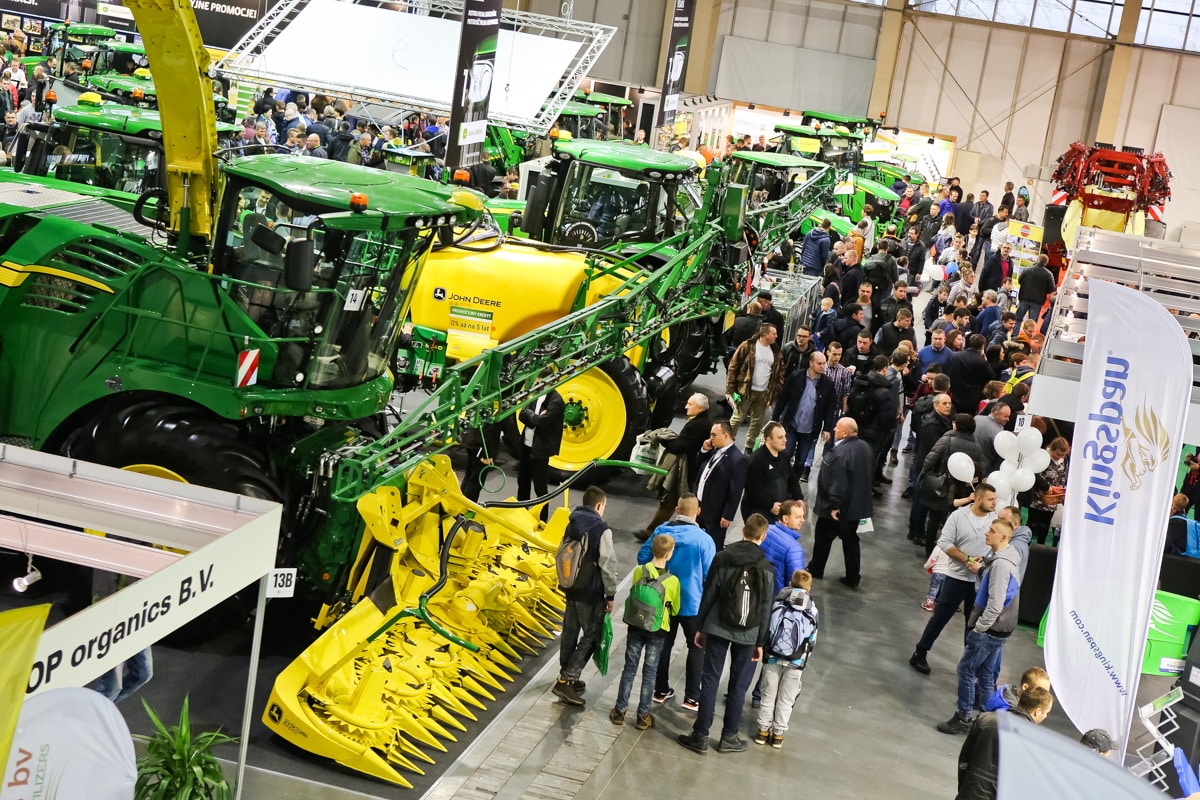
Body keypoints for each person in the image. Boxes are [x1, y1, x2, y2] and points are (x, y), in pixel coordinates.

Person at [677, 513, 776, 755]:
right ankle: (729, 736)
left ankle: (700, 735)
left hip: (718, 626)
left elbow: (709, 593)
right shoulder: (767, 568)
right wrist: (760, 642)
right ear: (763, 537)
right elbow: (765, 608)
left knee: (711, 678)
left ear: (743, 531)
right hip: (749, 632)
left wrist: (701, 627)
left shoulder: (723, 557)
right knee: (738, 684)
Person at [937, 518, 1021, 734]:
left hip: (990, 630)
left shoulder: (1000, 565)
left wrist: (979, 628)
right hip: (1002, 628)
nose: (986, 533)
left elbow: (996, 602)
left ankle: (963, 717)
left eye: (992, 531)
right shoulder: (1008, 558)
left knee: (966, 669)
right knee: (986, 673)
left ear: (1003, 537)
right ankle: (987, 721)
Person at [911, 484, 999, 675]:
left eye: (996, 499)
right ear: (978, 499)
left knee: (973, 624)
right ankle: (920, 652)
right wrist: (966, 559)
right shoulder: (958, 516)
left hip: (979, 581)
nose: (995, 503)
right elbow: (944, 542)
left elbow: (999, 547)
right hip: (955, 578)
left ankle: (969, 665)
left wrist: (984, 562)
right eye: (991, 499)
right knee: (940, 618)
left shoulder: (995, 520)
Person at [641, 494, 715, 711]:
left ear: (676, 509)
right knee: (696, 647)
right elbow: (710, 575)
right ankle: (692, 697)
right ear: (698, 512)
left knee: (664, 644)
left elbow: (642, 557)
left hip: (663, 599)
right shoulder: (704, 540)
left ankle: (660, 690)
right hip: (692, 603)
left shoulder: (661, 532)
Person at [552, 486, 619, 706]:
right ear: (599, 505)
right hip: (591, 592)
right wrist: (611, 594)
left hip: (571, 587)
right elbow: (607, 564)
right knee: (592, 634)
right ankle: (567, 679)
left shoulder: (572, 523)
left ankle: (566, 676)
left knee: (570, 631)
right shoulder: (600, 529)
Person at [610, 533, 681, 730]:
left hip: (636, 625)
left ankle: (619, 711)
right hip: (658, 630)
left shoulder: (639, 571)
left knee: (629, 668)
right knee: (650, 672)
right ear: (669, 554)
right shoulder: (672, 581)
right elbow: (675, 609)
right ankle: (643, 716)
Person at [753, 569, 818, 750]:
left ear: (790, 584)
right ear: (809, 588)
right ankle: (778, 735)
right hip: (796, 662)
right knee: (786, 699)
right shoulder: (812, 609)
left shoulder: (778, 602)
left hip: (773, 657)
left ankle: (762, 732)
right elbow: (812, 639)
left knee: (768, 694)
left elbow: (767, 627)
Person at [808, 417, 875, 588]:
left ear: (845, 433)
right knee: (850, 539)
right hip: (856, 507)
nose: (834, 429)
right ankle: (853, 577)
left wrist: (834, 506)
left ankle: (816, 568)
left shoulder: (840, 453)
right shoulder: (865, 447)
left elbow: (838, 482)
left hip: (838, 508)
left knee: (822, 537)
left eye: (837, 427)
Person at [956, 687, 1053, 799]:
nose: (1046, 716)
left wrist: (964, 787)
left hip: (970, 791)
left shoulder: (985, 719)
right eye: (1046, 712)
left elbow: (964, 758)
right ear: (1038, 711)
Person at [638, 393, 713, 540]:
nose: (686, 406)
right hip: (692, 471)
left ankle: (652, 532)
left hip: (688, 472)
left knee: (672, 501)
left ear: (699, 408)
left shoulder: (696, 425)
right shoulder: (702, 421)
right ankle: (651, 531)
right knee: (670, 502)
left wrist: (663, 439)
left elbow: (679, 446)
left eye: (690, 404)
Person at [773, 350, 838, 480]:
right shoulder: (796, 377)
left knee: (801, 461)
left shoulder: (828, 384)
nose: (822, 366)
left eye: (824, 363)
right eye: (819, 363)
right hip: (792, 425)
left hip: (810, 429)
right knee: (785, 453)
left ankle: (793, 483)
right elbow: (783, 399)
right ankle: (780, 481)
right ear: (811, 363)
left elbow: (830, 408)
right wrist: (774, 419)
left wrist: (827, 428)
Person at [726, 324, 784, 448]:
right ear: (765, 334)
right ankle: (727, 442)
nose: (776, 336)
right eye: (774, 333)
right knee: (737, 418)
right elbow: (733, 366)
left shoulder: (775, 351)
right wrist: (730, 390)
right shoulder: (747, 346)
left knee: (757, 421)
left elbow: (779, 372)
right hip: (745, 390)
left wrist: (775, 390)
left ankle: (749, 446)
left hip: (763, 392)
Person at [695, 420, 748, 552]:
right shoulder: (713, 450)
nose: (711, 438)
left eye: (714, 435)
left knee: (713, 546)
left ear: (726, 435)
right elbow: (699, 467)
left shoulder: (738, 459)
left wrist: (728, 514)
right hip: (700, 506)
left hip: (716, 513)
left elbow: (736, 490)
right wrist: (704, 450)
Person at [518, 384, 565, 522]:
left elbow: (542, 422)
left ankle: (542, 520)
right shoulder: (535, 394)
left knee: (540, 487)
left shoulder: (556, 401)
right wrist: (533, 416)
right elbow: (522, 415)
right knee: (523, 482)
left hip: (540, 451)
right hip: (525, 446)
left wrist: (530, 415)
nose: (537, 384)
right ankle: (520, 514)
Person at [740, 422, 803, 523]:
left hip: (778, 513)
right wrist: (770, 505)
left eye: (785, 436)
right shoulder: (756, 460)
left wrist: (798, 497)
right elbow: (753, 489)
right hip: (759, 515)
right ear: (769, 439)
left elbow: (792, 479)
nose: (785, 440)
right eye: (780, 437)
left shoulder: (783, 456)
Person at [1026, 437, 1069, 545]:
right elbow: (1035, 474)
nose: (1059, 457)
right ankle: (1027, 545)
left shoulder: (1064, 460)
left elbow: (1064, 475)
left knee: (1045, 525)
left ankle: (1040, 547)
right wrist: (1047, 487)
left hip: (1052, 500)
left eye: (1062, 455)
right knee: (1032, 523)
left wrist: (1060, 488)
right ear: (1052, 449)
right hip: (1037, 498)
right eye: (1057, 454)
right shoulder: (1043, 457)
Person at [946, 334, 993, 415]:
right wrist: (986, 362)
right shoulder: (981, 361)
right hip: (973, 400)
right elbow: (990, 377)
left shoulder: (955, 356)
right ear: (982, 346)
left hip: (955, 397)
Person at [460, 421, 502, 502]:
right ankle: (467, 506)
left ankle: (460, 504)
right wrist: (488, 454)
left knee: (469, 477)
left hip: (470, 440)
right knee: (475, 482)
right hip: (482, 446)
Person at [982, 665, 1050, 712]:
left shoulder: (1006, 690)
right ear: (1025, 687)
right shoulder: (1011, 710)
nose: (1045, 696)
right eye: (1040, 691)